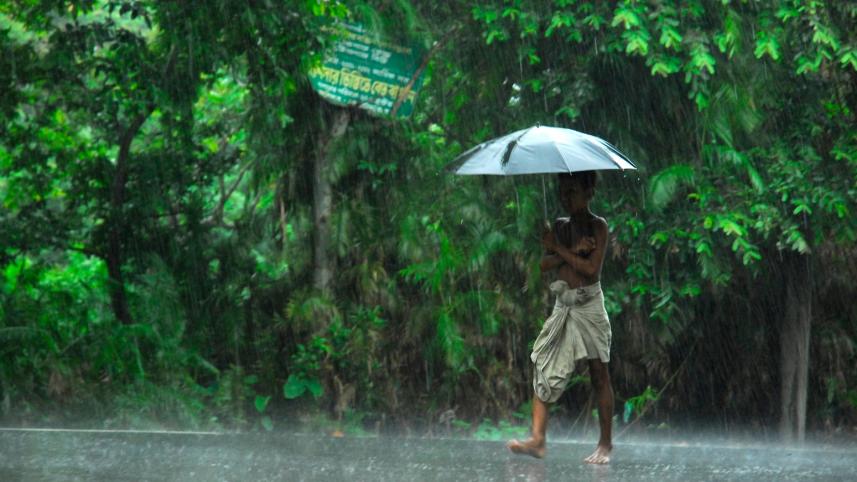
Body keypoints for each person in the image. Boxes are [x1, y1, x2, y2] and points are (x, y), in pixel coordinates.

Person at [506, 170, 614, 464]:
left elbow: (591, 270)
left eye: (572, 192)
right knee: (543, 364)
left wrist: (560, 250)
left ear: (589, 192)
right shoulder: (560, 226)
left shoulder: (598, 227)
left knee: (598, 373)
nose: (565, 198)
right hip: (563, 303)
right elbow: (544, 264)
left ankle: (605, 444)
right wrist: (566, 250)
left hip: (589, 304)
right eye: (562, 192)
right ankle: (538, 439)